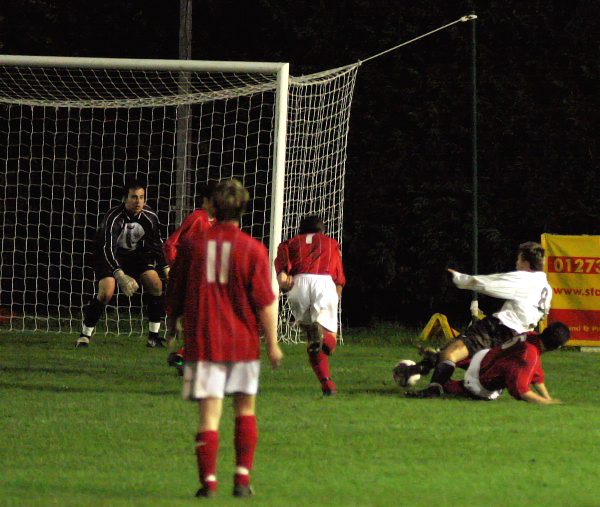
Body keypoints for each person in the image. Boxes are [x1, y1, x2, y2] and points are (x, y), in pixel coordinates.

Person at [165, 178, 283, 498]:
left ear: (213, 207)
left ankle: (208, 485)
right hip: (243, 344)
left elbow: (174, 291)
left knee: (209, 415)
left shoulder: (193, 246)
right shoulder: (254, 250)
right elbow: (266, 302)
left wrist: (171, 322)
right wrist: (272, 343)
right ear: (244, 209)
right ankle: (242, 481)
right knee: (245, 410)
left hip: (204, 342)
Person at [403, 241, 552, 398]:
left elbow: (486, 284)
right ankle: (419, 368)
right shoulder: (547, 289)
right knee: (461, 353)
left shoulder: (524, 279)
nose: (516, 263)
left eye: (518, 259)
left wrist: (458, 278)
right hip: (516, 338)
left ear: (524, 260)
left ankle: (433, 388)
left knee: (451, 353)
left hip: (499, 328)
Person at [76, 179, 169, 348]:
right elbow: (107, 248)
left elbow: (156, 244)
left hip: (134, 256)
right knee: (106, 292)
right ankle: (85, 335)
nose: (138, 201)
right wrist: (119, 274)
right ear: (125, 199)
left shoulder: (150, 216)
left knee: (156, 285)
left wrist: (166, 267)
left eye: (141, 197)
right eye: (134, 197)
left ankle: (153, 337)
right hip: (109, 256)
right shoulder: (113, 217)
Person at [274, 215, 345, 396]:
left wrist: (284, 285)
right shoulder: (331, 243)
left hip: (299, 284)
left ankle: (327, 384)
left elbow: (282, 276)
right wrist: (334, 298)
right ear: (322, 230)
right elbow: (338, 278)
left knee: (311, 338)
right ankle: (323, 339)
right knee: (329, 340)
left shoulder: (288, 243)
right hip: (324, 282)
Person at [439, 321, 570, 403]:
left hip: (482, 358)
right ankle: (442, 384)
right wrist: (547, 403)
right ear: (556, 347)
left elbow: (536, 375)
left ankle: (438, 358)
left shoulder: (532, 336)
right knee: (450, 388)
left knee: (451, 360)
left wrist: (547, 397)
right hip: (479, 383)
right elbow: (521, 390)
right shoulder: (530, 354)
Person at [162, 181, 217, 374]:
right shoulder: (197, 217)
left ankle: (182, 359)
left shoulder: (217, 222)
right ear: (206, 201)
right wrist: (174, 267)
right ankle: (182, 354)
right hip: (188, 277)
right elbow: (170, 244)